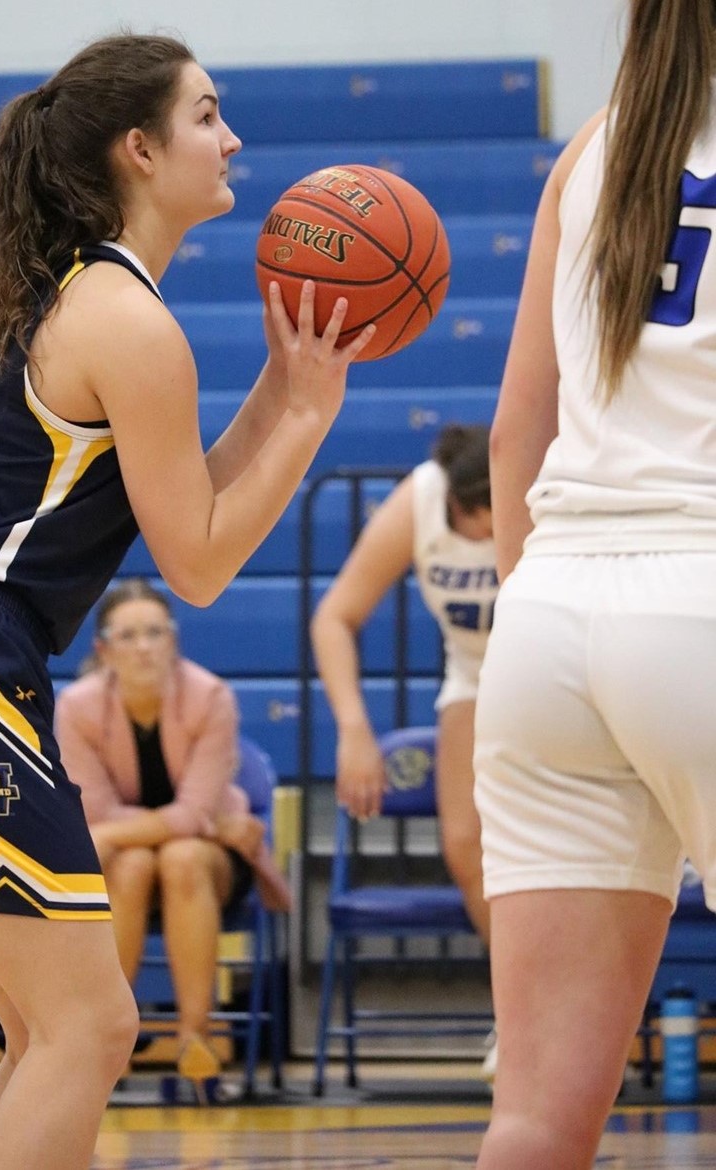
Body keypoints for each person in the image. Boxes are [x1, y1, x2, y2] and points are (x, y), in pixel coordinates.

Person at [0, 33, 373, 1170]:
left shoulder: (82, 297)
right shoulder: (130, 321)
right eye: (208, 115)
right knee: (92, 1023)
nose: (233, 140)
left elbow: (191, 498)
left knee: (42, 1030)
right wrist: (307, 420)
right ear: (139, 148)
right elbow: (200, 564)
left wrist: (283, 390)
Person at [471, 2, 716, 1165]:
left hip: (549, 617)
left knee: (534, 1119)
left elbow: (515, 432)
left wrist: (539, 612)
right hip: (701, 592)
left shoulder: (597, 144)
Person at [309, 423, 498, 1073]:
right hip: (475, 676)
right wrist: (354, 729)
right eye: (481, 522)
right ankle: (527, 1017)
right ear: (459, 503)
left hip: (557, 673)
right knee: (464, 845)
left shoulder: (537, 486)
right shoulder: (421, 497)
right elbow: (335, 615)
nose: (488, 537)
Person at [54, 579, 290, 1096]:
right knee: (136, 863)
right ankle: (105, 1043)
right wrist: (139, 831)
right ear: (103, 649)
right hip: (127, 862)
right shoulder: (76, 707)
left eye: (156, 632)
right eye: (129, 635)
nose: (144, 646)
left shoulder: (212, 697)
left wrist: (128, 831)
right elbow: (92, 808)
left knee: (180, 856)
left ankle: (195, 1039)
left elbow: (189, 816)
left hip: (212, 857)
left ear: (174, 640)